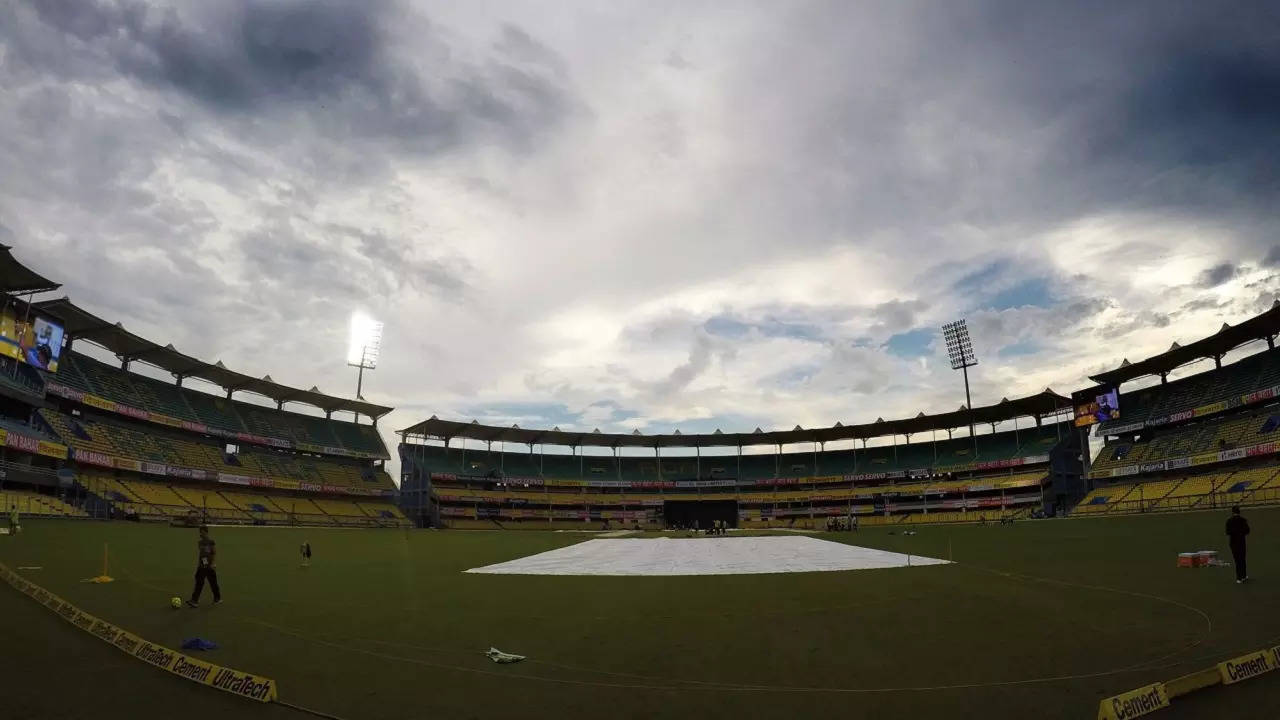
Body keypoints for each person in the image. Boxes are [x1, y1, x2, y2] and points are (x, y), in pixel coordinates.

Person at [186, 525, 221, 607]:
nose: (200, 534)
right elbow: (202, 555)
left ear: (205, 532)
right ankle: (217, 598)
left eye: (201, 532)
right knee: (207, 581)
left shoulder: (211, 542)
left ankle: (195, 600)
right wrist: (200, 565)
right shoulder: (200, 542)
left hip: (208, 565)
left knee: (207, 582)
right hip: (203, 565)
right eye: (200, 532)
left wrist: (212, 563)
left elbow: (213, 553)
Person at [1226, 506, 1250, 584]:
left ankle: (1238, 578)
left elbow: (1227, 532)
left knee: (1237, 560)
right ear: (1239, 512)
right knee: (1242, 559)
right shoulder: (1243, 520)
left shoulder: (1229, 521)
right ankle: (1244, 575)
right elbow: (1247, 531)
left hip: (1233, 543)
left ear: (1232, 512)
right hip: (1241, 542)